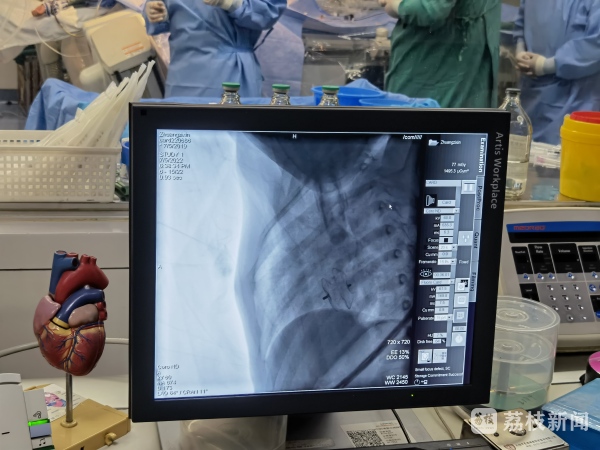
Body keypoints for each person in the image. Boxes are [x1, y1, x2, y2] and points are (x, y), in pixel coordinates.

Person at [144, 0, 286, 98]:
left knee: (230, 129)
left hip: (230, 74)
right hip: (182, 75)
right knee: (183, 128)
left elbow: (269, 11)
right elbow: (158, 10)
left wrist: (233, 3)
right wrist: (154, 12)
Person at [379, 0, 501, 108]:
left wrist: (396, 4)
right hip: (461, 56)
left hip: (439, 61)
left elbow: (430, 9)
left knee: (415, 121)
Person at [514, 0, 600, 145]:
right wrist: (521, 48)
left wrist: (545, 65)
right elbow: (522, 22)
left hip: (575, 100)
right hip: (533, 98)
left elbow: (596, 46)